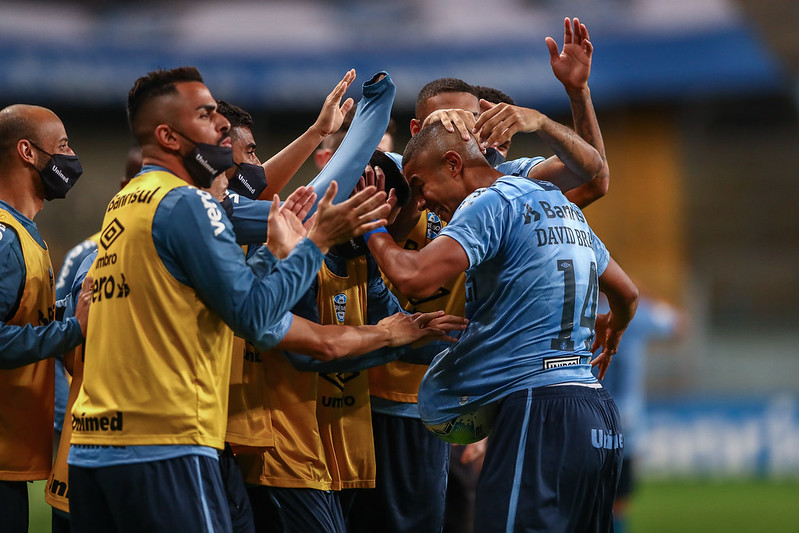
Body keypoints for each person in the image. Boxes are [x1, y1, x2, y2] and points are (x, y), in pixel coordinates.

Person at [66, 66, 391, 533]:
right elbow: (254, 317)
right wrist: (315, 245)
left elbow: (219, 298)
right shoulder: (189, 205)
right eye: (205, 115)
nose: (222, 125)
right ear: (168, 135)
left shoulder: (129, 200)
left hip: (95, 449)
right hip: (166, 445)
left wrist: (273, 257)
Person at [366, 121, 638, 532]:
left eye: (420, 187)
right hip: (597, 415)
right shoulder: (558, 204)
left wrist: (372, 225)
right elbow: (627, 293)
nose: (419, 203)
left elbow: (413, 276)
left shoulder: (491, 203)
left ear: (453, 164)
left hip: (538, 409)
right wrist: (614, 327)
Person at [0, 104, 93, 532]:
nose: (71, 157)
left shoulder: (24, 232)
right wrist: (73, 328)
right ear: (27, 151)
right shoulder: (4, 238)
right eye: (62, 146)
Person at [593, 293, 682, 533]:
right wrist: (646, 295)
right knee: (618, 501)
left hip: (585, 410)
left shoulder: (583, 309)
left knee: (584, 495)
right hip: (625, 417)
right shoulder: (637, 313)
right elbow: (678, 325)